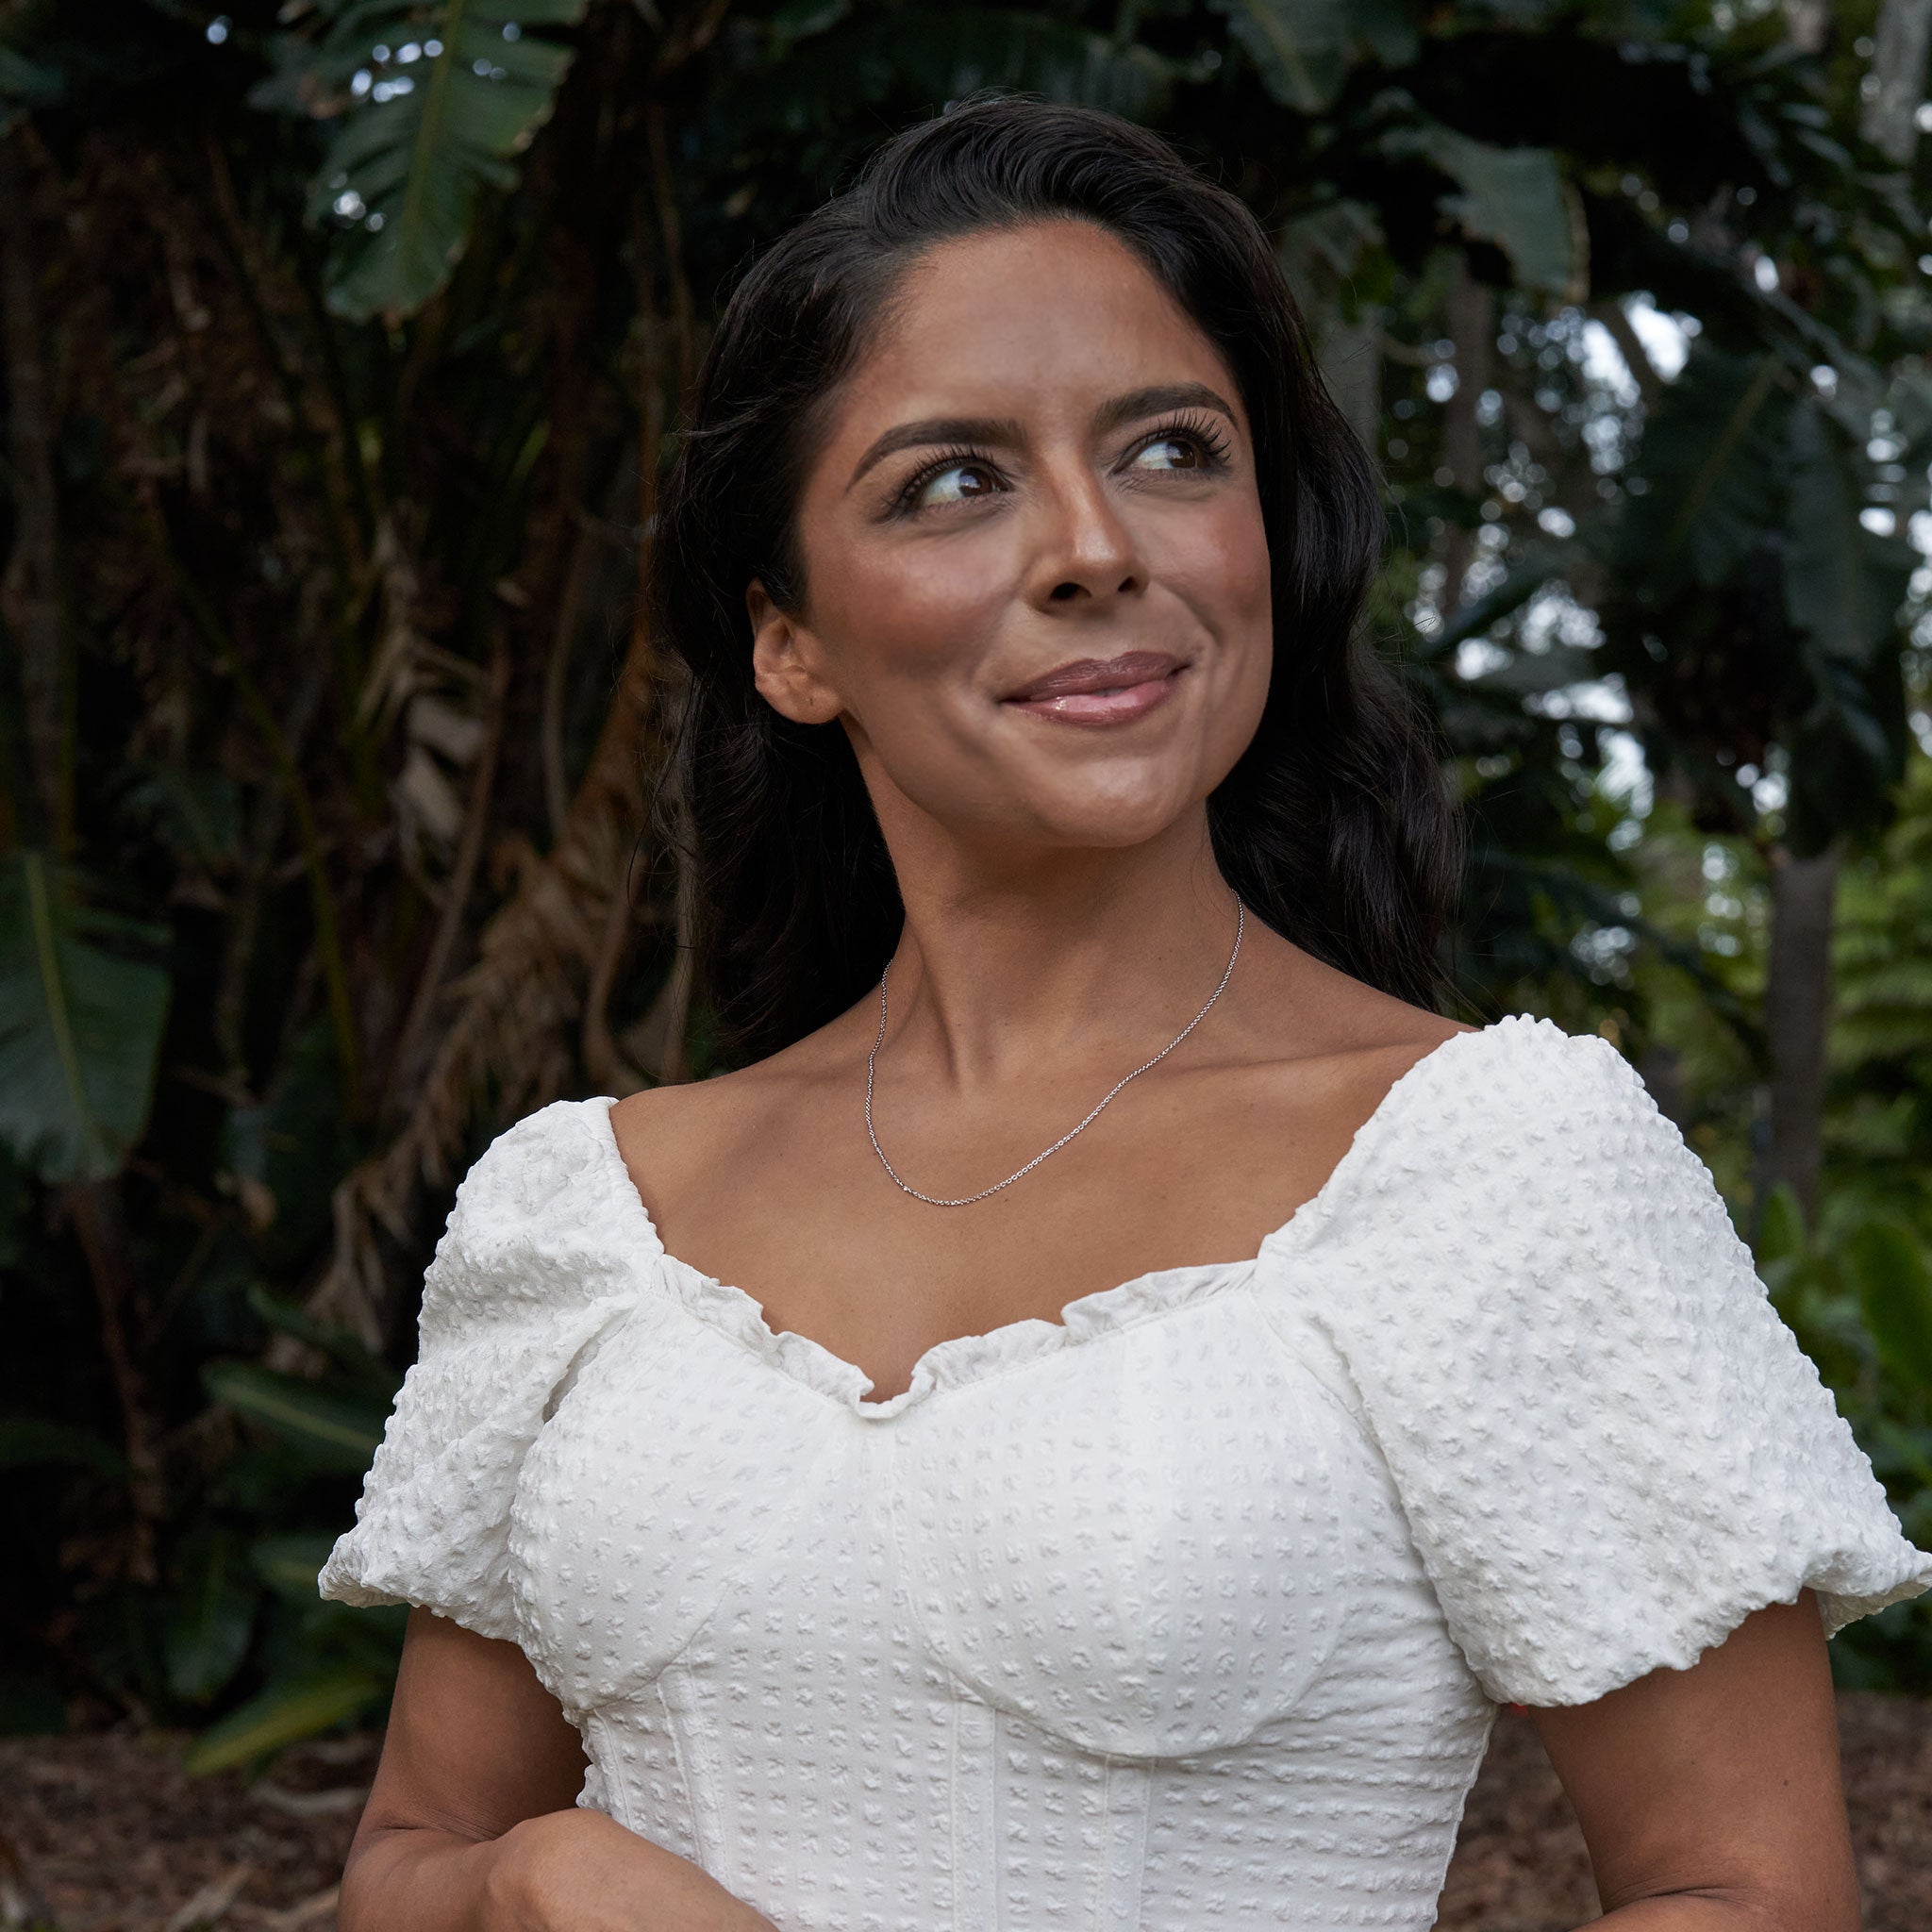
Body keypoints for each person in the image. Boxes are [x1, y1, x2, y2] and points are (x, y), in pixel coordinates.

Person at [320, 98, 1929, 1932]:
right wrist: (532, 1880)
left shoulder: (1484, 1168)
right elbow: (409, 1859)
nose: (1093, 544)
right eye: (952, 478)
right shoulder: (582, 1212)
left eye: (1172, 450)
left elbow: (1749, 1893)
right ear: (790, 641)